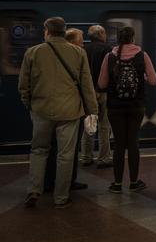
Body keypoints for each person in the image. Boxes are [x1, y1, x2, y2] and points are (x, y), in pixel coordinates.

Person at [19, 17, 98, 208]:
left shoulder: (33, 52)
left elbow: (23, 85)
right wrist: (92, 110)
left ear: (47, 31)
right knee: (66, 154)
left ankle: (34, 191)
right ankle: (61, 198)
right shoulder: (78, 53)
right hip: (69, 112)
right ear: (63, 32)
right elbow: (87, 86)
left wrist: (30, 104)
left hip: (41, 110)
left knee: (38, 150)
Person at [98, 26, 156, 193]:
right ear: (133, 38)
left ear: (117, 39)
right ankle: (134, 181)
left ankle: (117, 184)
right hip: (136, 106)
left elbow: (101, 84)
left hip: (115, 107)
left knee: (118, 144)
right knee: (132, 143)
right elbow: (153, 81)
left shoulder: (109, 56)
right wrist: (142, 77)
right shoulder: (142, 55)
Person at [80, 25, 113, 168]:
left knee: (89, 125)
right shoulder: (108, 49)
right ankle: (103, 158)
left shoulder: (83, 49)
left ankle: (86, 157)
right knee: (104, 126)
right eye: (104, 32)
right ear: (100, 34)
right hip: (104, 92)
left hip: (89, 93)